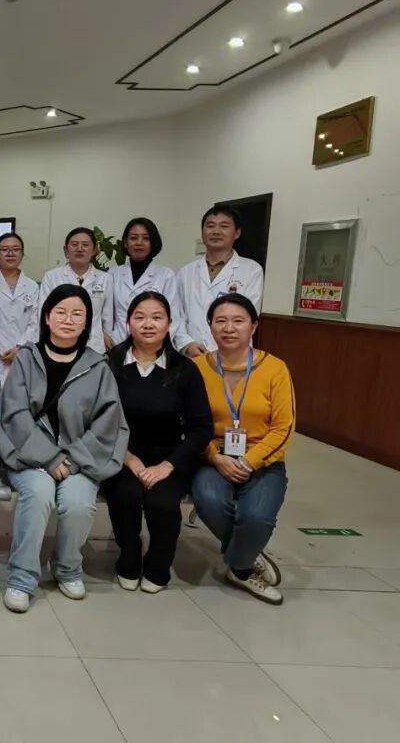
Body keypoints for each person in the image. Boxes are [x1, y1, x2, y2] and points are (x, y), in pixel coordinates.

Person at [0, 284, 128, 611]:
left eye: (77, 314)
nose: (68, 319)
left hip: (80, 459)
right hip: (28, 456)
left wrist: (73, 459)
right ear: (47, 317)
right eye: (61, 312)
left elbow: (107, 422)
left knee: (78, 503)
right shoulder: (27, 359)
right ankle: (22, 578)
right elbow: (14, 414)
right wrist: (50, 458)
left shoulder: (98, 366)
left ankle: (67, 567)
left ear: (87, 323)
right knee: (39, 494)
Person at [102, 291, 212, 593]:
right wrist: (128, 458)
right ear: (128, 323)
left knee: (161, 503)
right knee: (125, 495)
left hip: (170, 456)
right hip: (119, 453)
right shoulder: (109, 365)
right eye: (140, 317)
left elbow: (201, 428)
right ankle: (129, 556)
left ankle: (158, 566)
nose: (148, 324)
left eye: (157, 317)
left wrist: (167, 466)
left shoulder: (185, 370)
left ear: (169, 323)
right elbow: (97, 420)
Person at [191, 293, 295, 605]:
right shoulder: (196, 368)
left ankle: (239, 566)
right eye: (220, 321)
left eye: (238, 321)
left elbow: (284, 427)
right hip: (212, 457)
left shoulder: (275, 368)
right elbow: (189, 422)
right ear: (210, 326)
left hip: (264, 460)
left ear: (254, 326)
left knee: (257, 518)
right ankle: (247, 556)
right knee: (210, 501)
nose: (229, 328)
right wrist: (215, 457)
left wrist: (249, 462)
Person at [177, 204, 264, 356]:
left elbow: (248, 317)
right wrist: (187, 344)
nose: (216, 231)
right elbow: (176, 315)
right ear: (202, 232)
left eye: (224, 226)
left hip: (233, 355)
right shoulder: (185, 272)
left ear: (237, 233)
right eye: (210, 226)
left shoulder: (251, 270)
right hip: (191, 355)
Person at [0, 232, 41, 386]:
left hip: (24, 355)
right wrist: (5, 349)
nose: (10, 253)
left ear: (22, 254)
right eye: (5, 249)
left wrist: (20, 348)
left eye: (16, 249)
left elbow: (36, 323)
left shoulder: (32, 286)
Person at [109, 217, 185, 346]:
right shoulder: (113, 274)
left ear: (153, 243)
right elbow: (106, 316)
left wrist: (157, 347)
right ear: (125, 242)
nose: (139, 243)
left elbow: (173, 318)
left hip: (154, 346)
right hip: (118, 345)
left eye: (146, 238)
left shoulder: (166, 275)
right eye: (133, 238)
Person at [39, 227, 112, 354]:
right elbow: (44, 312)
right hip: (58, 343)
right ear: (65, 250)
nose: (80, 248)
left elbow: (108, 317)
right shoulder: (51, 277)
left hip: (94, 345)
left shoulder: (105, 279)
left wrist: (107, 336)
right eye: (74, 244)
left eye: (85, 245)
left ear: (95, 250)